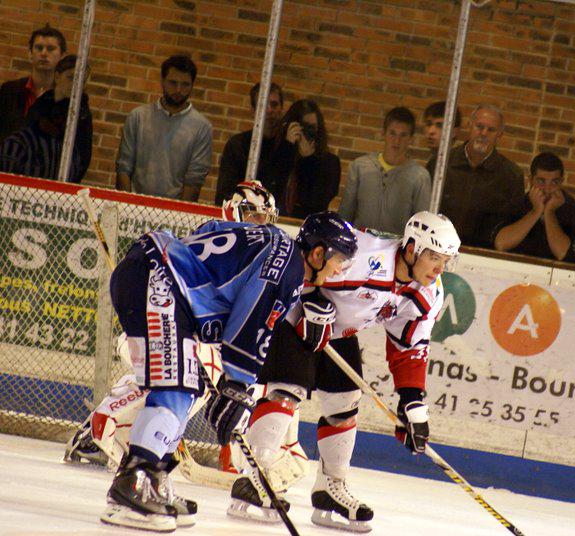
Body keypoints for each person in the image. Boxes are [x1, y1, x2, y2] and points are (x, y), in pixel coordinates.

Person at [98, 209, 357, 532]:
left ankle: (153, 477)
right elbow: (251, 319)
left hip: (155, 273)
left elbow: (209, 230)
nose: (339, 270)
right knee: (177, 388)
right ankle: (133, 484)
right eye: (339, 260)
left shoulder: (274, 241)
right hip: (158, 280)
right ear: (318, 253)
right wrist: (238, 384)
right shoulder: (288, 266)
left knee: (188, 387)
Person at [229, 212, 460, 533]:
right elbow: (302, 258)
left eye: (446, 261)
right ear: (411, 249)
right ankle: (254, 478)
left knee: (346, 402)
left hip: (337, 331)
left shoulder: (428, 294)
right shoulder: (365, 255)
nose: (439, 269)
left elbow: (409, 348)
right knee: (288, 391)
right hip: (295, 319)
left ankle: (330, 488)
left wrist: (412, 403)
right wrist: (310, 298)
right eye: (434, 257)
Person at [116, 55, 211, 201]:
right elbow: (124, 167)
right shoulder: (138, 117)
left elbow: (194, 180)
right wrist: (127, 205)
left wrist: (178, 212)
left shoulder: (201, 127)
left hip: (173, 209)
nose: (178, 90)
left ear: (192, 85)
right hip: (134, 204)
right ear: (162, 81)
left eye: (185, 85)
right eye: (173, 83)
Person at [438, 104, 525, 249]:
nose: (484, 133)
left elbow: (511, 226)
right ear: (469, 125)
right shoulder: (442, 163)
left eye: (491, 130)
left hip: (483, 255)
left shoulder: (511, 176)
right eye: (479, 126)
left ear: (500, 134)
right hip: (437, 249)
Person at [0, 54, 92, 182]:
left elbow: (83, 156)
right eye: (71, 78)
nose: (76, 85)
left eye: (82, 81)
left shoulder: (82, 114)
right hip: (31, 172)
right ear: (57, 76)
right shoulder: (41, 105)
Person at [338, 106, 431, 234]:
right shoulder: (360, 167)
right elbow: (345, 213)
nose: (397, 141)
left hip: (397, 244)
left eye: (403, 135)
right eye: (392, 133)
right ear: (383, 134)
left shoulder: (419, 176)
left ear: (411, 139)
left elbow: (421, 224)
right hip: (359, 241)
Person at [494, 152, 575, 265]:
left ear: (561, 182)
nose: (547, 189)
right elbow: (501, 244)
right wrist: (535, 212)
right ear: (530, 180)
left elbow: (566, 255)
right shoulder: (514, 205)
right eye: (541, 181)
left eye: (554, 182)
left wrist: (549, 213)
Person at [267, 99, 342, 218]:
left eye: (312, 127)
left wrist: (308, 160)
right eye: (303, 126)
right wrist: (287, 147)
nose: (307, 132)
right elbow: (270, 189)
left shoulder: (330, 163)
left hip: (308, 226)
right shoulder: (277, 152)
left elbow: (317, 202)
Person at [215, 82, 284, 205]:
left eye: (274, 104)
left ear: (281, 109)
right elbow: (224, 196)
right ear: (253, 110)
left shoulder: (286, 147)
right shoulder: (237, 145)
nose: (269, 110)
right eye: (263, 105)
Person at [0, 24, 66, 144]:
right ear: (30, 53)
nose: (44, 53)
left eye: (51, 49)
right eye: (39, 48)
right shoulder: (9, 90)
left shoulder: (67, 100)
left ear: (62, 56)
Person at [422, 100, 461, 177]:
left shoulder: (455, 168)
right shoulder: (433, 162)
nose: (431, 131)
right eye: (429, 124)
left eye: (440, 126)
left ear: (454, 132)